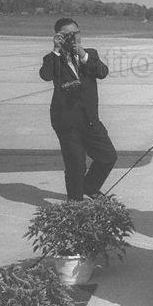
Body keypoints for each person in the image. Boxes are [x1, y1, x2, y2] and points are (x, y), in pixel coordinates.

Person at [39, 18, 117, 201]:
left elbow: (102, 72)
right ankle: (75, 204)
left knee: (108, 156)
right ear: (58, 37)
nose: (73, 38)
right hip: (66, 120)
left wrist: (83, 54)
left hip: (89, 118)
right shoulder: (52, 58)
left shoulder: (89, 54)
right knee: (76, 164)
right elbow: (46, 75)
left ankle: (89, 186)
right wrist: (56, 50)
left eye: (76, 33)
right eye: (67, 35)